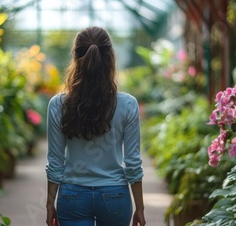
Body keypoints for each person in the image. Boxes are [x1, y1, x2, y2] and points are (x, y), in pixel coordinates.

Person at [45, 26, 146, 226]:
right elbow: (133, 163)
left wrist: (49, 205)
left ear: (75, 59)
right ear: (110, 59)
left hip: (72, 196)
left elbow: (55, 162)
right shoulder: (128, 104)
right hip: (115, 195)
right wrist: (140, 208)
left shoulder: (58, 105)